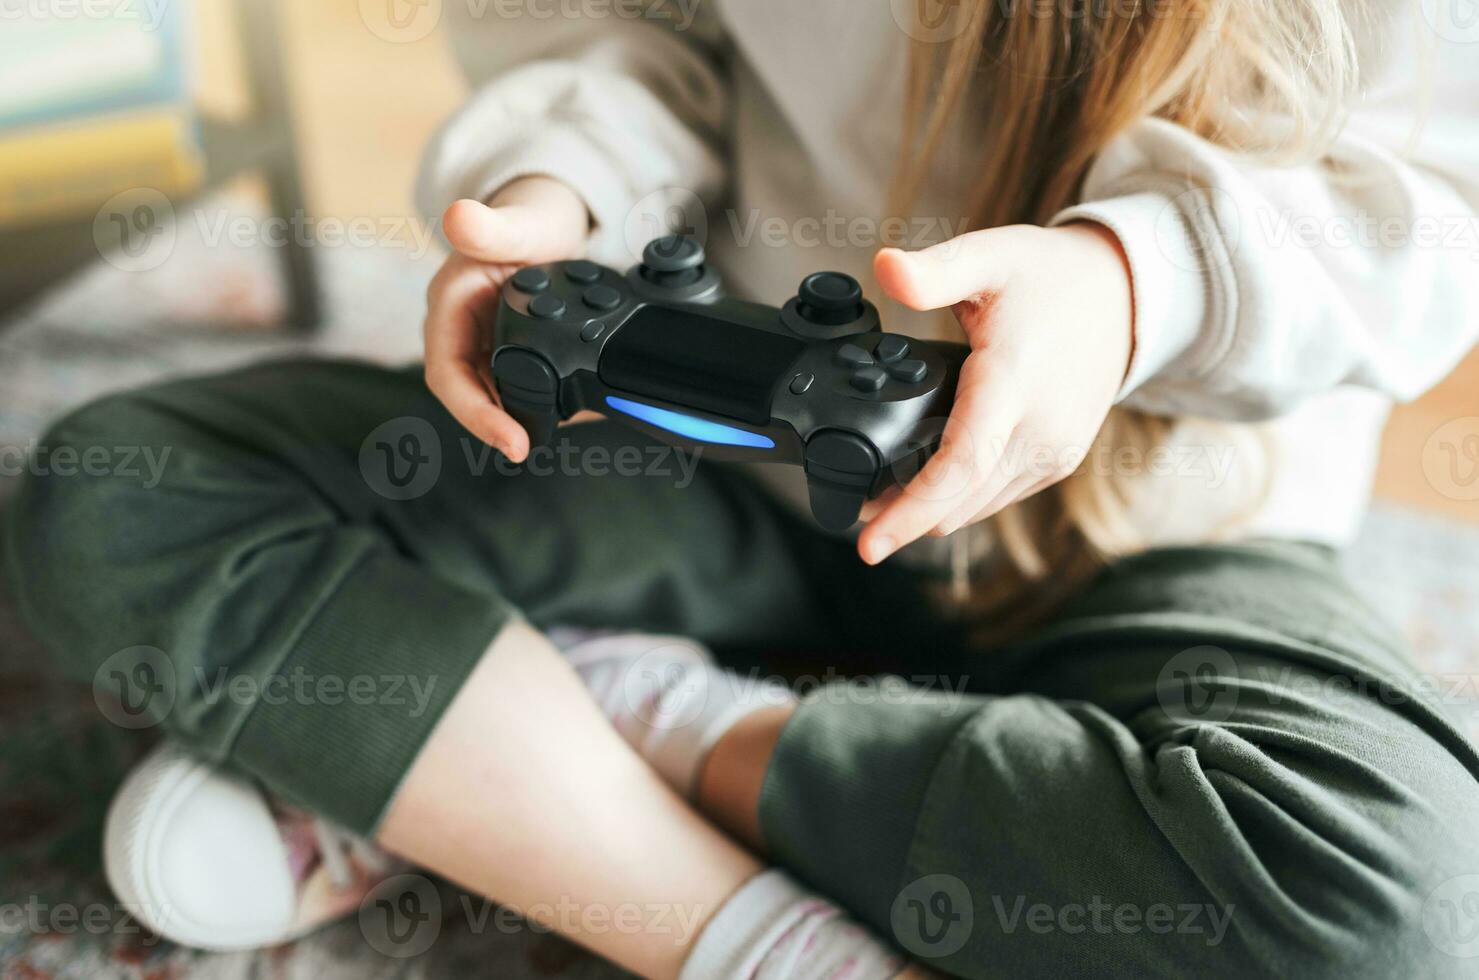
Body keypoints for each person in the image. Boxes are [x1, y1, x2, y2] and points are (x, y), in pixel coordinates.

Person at [7, 0, 1479, 976]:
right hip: (732, 459)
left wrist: (1137, 287)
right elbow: (637, 36)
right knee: (118, 490)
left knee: (1399, 917)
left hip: (1160, 513)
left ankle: (586, 720)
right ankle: (733, 908)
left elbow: (1434, 202)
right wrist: (560, 197)